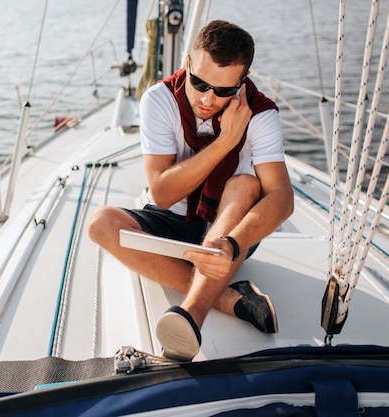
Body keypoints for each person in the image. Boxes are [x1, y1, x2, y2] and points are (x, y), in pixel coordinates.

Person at [87, 20, 294, 361]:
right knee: (101, 223)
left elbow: (282, 198)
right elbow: (163, 193)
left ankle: (191, 315)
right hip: (173, 220)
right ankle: (228, 298)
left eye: (223, 90)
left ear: (241, 84)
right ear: (187, 62)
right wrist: (226, 141)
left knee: (246, 184)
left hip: (228, 233)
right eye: (199, 83)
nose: (207, 98)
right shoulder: (159, 99)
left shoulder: (260, 114)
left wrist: (230, 243)